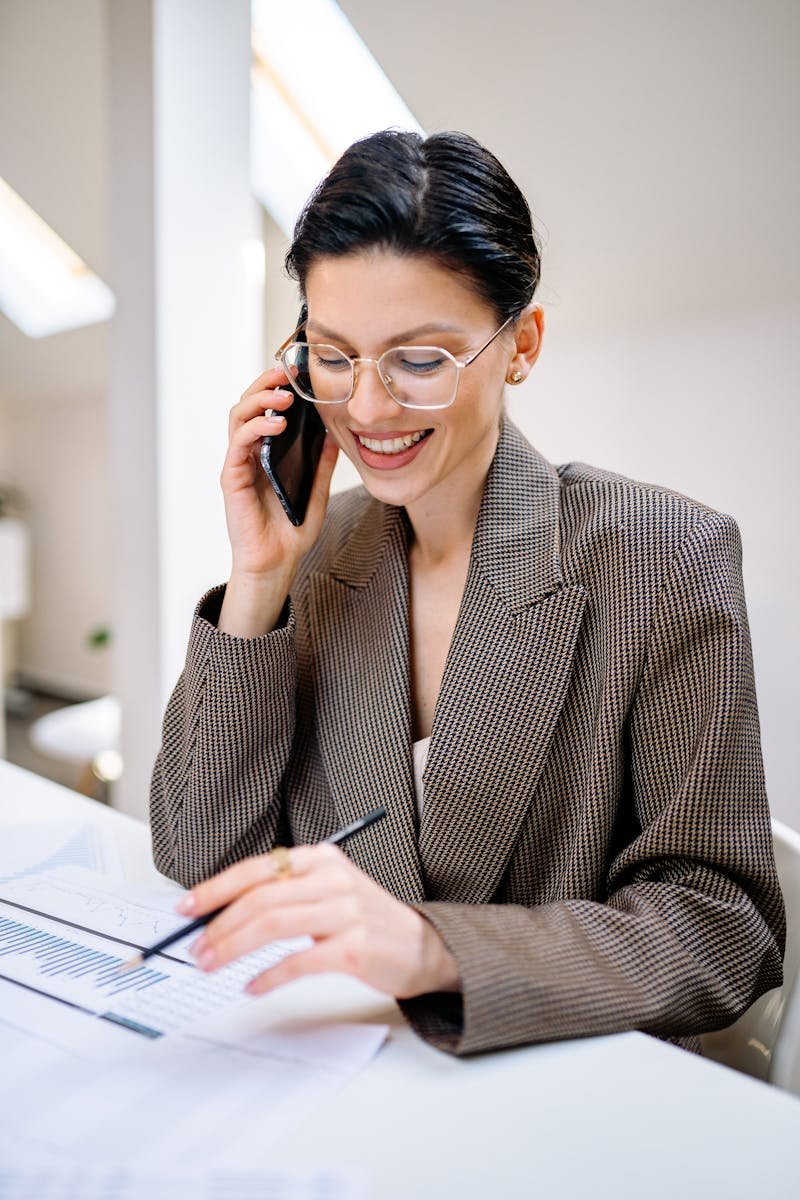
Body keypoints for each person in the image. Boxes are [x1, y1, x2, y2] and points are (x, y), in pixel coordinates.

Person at [150, 129, 785, 1057]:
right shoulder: (317, 550)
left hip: (543, 1098)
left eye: (419, 360)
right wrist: (258, 583)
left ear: (521, 343)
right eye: (332, 356)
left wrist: (437, 951)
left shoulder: (663, 555)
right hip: (326, 1072)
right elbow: (200, 854)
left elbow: (723, 926)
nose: (366, 410)